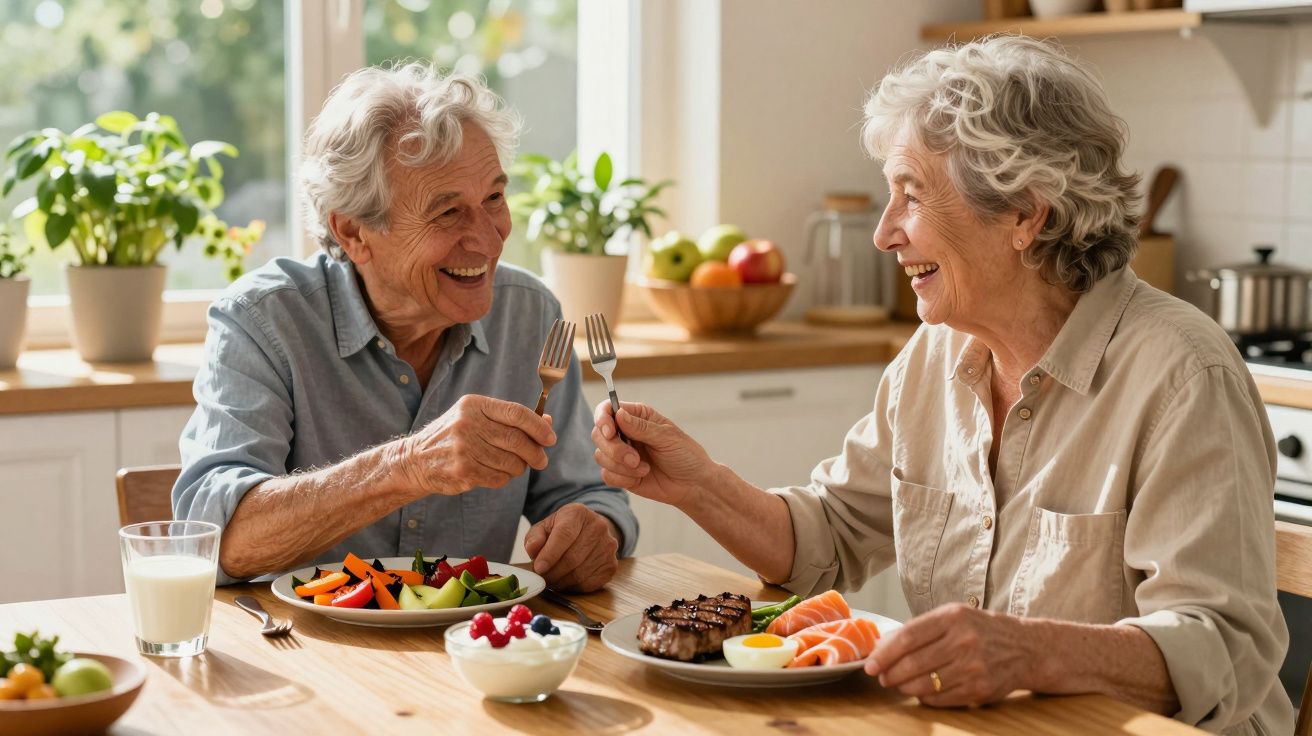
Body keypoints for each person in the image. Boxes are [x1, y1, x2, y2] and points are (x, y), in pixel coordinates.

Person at [591, 36, 1292, 733]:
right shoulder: (935, 356)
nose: (885, 233)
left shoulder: (1179, 374)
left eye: (912, 195)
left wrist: (1029, 652)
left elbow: (1225, 647)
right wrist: (696, 484)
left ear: (1024, 213)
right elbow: (825, 540)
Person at [174, 63, 636, 593]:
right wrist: (408, 465)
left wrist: (593, 530)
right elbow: (214, 541)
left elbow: (586, 496)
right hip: (307, 651)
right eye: (447, 213)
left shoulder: (529, 314)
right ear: (354, 232)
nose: (487, 240)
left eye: (493, 198)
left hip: (475, 647)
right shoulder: (263, 321)